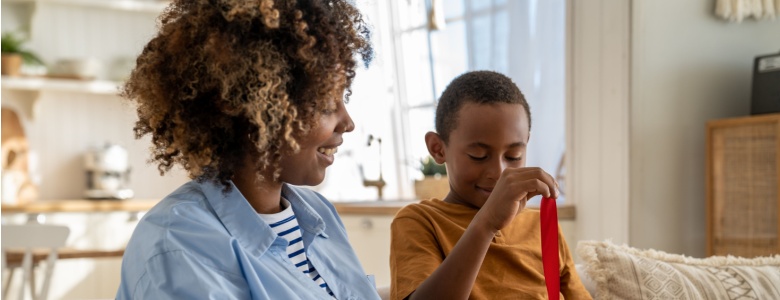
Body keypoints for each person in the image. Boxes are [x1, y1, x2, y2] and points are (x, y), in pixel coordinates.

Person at [115, 0, 379, 299]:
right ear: (253, 106)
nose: (348, 122)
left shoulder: (319, 214)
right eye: (325, 104)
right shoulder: (177, 244)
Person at [390, 71, 591, 299]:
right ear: (438, 148)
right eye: (478, 155)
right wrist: (486, 223)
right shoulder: (420, 221)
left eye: (514, 155)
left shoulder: (540, 225)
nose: (499, 173)